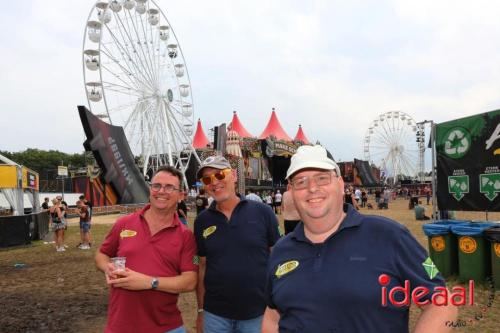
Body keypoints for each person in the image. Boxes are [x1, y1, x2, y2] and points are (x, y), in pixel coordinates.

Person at [262, 145, 457, 333]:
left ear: (340, 185)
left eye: (322, 178)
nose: (312, 188)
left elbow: (442, 303)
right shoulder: (281, 251)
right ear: (291, 191)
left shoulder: (390, 236)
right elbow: (272, 317)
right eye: (301, 181)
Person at [95, 166, 199, 333]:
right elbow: (102, 254)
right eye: (156, 185)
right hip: (121, 325)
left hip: (166, 327)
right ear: (150, 190)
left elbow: (190, 281)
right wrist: (108, 267)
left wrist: (150, 282)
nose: (161, 191)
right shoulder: (124, 223)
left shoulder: (186, 236)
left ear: (181, 196)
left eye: (169, 187)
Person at [194, 155, 280, 333]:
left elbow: (277, 260)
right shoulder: (202, 221)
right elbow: (202, 266)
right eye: (207, 179)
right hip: (215, 315)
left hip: (258, 313)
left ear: (233, 175)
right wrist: (201, 310)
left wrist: (277, 304)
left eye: (219, 175)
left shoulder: (263, 212)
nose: (214, 182)